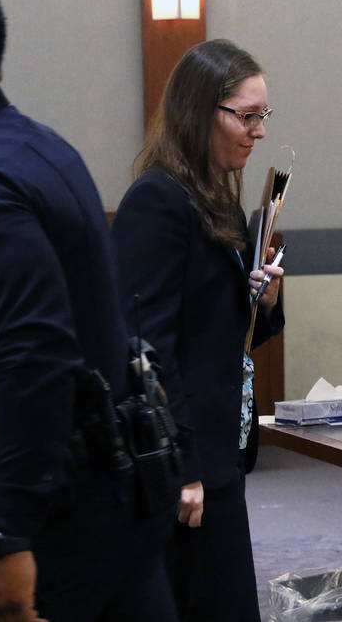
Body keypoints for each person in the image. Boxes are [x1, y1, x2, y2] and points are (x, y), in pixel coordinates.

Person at [0, 0, 176, 621]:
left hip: (46, 510)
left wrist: (9, 536)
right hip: (114, 487)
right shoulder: (41, 148)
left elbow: (34, 352)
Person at [111, 39, 285, 622]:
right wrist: (181, 468)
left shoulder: (218, 200)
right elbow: (145, 349)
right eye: (246, 115)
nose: (257, 131)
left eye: (263, 116)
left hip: (220, 449)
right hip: (183, 462)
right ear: (198, 110)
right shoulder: (157, 202)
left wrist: (263, 300)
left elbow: (219, 334)